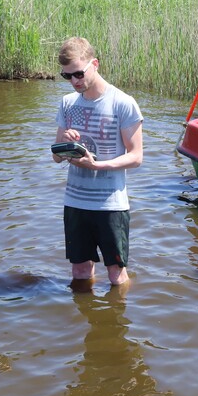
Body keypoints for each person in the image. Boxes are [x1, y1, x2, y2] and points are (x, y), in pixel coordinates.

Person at [53, 37, 143, 286]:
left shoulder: (123, 103)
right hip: (75, 201)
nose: (74, 81)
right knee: (80, 273)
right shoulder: (67, 103)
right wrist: (67, 143)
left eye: (78, 74)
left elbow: (136, 157)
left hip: (110, 205)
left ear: (95, 64)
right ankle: (83, 321)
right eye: (67, 76)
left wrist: (98, 166)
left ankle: (117, 320)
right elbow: (56, 156)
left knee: (116, 275)